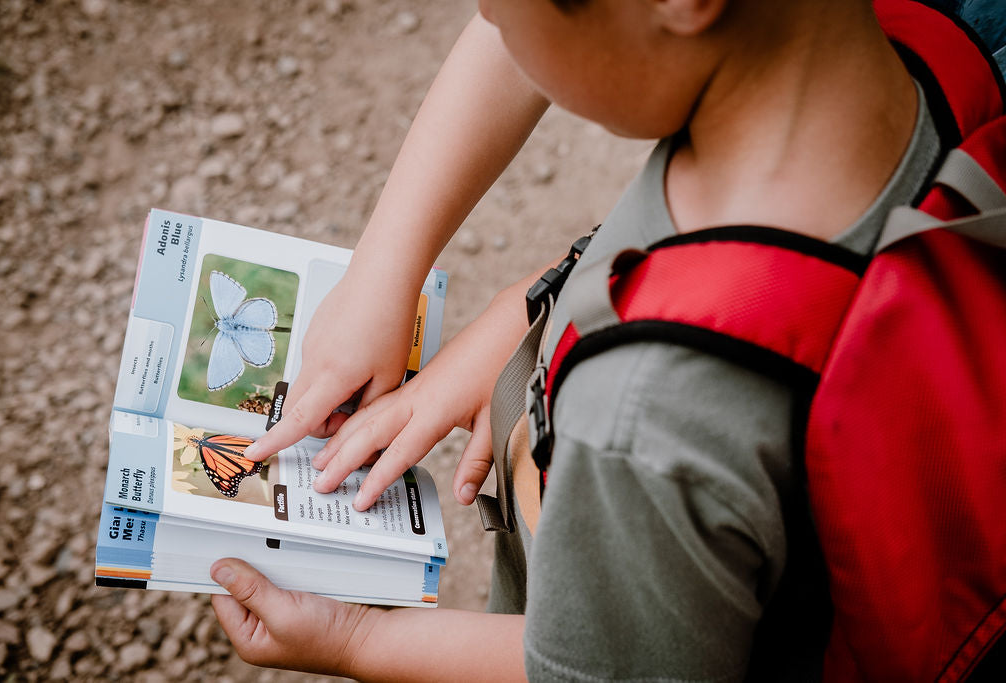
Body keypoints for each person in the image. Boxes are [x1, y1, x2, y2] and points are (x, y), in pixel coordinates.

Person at [213, 0, 944, 679]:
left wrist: (357, 640)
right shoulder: (899, 53)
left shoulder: (640, 417)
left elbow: (598, 668)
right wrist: (515, 309)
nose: (488, 14)